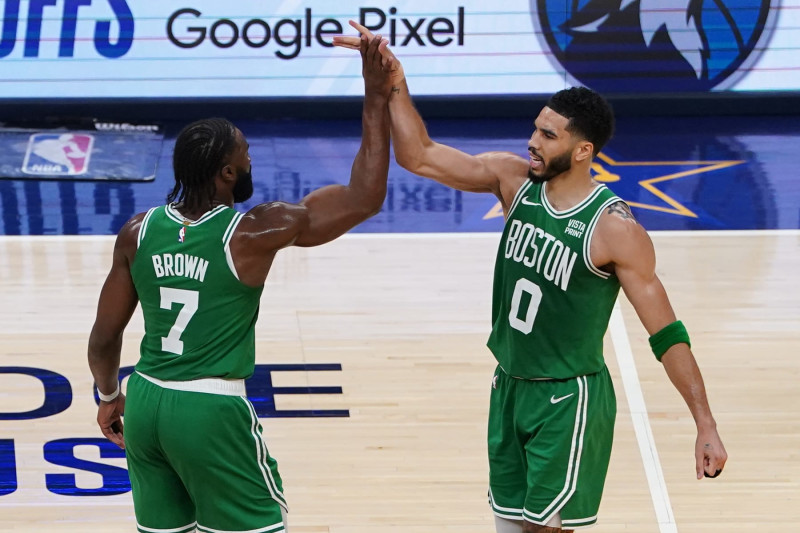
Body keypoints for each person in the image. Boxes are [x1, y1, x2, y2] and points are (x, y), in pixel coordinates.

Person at [334, 22, 727, 533]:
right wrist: (395, 84)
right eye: (535, 128)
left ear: (583, 150)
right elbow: (420, 155)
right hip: (509, 387)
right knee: (508, 526)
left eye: (547, 135)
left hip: (567, 398)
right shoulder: (513, 180)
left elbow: (666, 332)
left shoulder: (612, 229)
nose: (532, 142)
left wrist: (705, 423)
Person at [87, 34, 394, 533]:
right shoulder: (253, 231)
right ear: (228, 171)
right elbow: (364, 197)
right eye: (246, 153)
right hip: (209, 408)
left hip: (144, 402)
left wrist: (106, 398)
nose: (252, 159)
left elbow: (103, 339)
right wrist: (375, 96)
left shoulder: (137, 232)